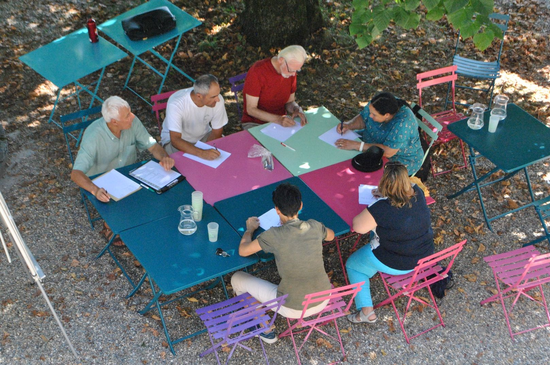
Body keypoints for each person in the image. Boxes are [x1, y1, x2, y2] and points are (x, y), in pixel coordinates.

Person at [231, 183, 335, 343]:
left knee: (237, 278)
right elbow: (331, 235)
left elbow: (243, 250)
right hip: (323, 297)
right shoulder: (313, 226)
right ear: (300, 205)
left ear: (277, 210)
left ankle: (263, 327)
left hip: (293, 307)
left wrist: (249, 230)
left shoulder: (274, 235)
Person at [71, 96, 174, 245]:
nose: (132, 116)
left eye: (130, 112)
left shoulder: (132, 122)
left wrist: (164, 157)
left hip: (129, 175)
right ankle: (110, 225)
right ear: (114, 122)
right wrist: (95, 190)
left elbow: (152, 146)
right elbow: (76, 173)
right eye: (127, 115)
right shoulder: (93, 135)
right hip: (103, 180)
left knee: (162, 192)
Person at [345, 161, 434, 323]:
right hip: (423, 254)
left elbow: (358, 227)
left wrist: (379, 200)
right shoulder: (418, 193)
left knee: (353, 265)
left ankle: (366, 312)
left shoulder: (382, 208)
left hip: (397, 262)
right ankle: (372, 268)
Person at [336, 92, 424, 175]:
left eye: (374, 115)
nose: (370, 116)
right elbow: (363, 118)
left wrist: (357, 145)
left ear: (387, 115)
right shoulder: (379, 103)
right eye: (370, 112)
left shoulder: (403, 123)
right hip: (370, 140)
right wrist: (349, 125)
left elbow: (388, 151)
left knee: (361, 171)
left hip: (398, 159)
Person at [160, 74, 228, 160]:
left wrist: (207, 150)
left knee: (221, 154)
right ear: (199, 96)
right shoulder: (177, 103)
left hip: (203, 136)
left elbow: (216, 131)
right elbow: (175, 140)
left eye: (218, 94)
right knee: (182, 166)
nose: (218, 99)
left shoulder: (218, 100)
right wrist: (202, 153)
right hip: (178, 140)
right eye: (213, 97)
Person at [241, 45, 308, 129]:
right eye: (292, 70)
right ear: (281, 60)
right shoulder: (258, 71)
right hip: (255, 123)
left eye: (297, 70)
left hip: (281, 122)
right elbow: (251, 109)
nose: (293, 74)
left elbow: (290, 102)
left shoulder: (290, 72)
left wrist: (296, 109)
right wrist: (278, 119)